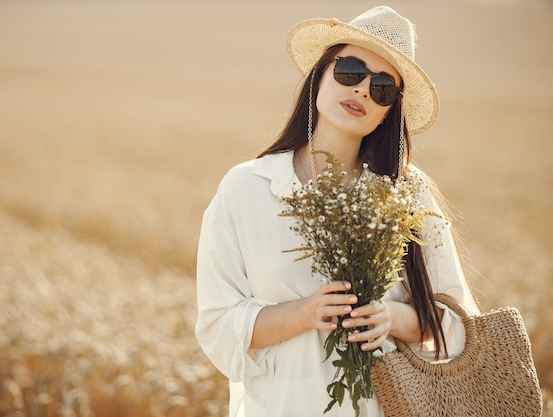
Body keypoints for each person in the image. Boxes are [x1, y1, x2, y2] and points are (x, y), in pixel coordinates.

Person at [195, 6, 479, 417]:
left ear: (389, 111)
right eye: (350, 71)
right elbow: (217, 327)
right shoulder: (247, 188)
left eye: (383, 88)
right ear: (320, 75)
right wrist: (304, 313)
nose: (363, 90)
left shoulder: (408, 195)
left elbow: (458, 327)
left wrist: (391, 317)